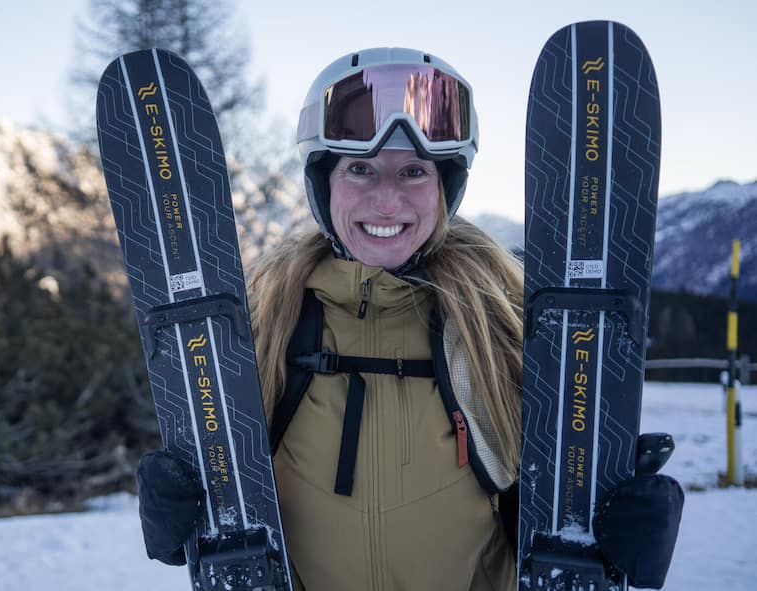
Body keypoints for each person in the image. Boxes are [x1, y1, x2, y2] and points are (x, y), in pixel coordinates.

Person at [135, 47, 683, 590]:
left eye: (414, 171)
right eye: (360, 168)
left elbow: (550, 504)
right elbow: (231, 499)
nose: (388, 201)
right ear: (323, 184)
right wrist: (186, 513)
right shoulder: (266, 328)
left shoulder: (501, 329)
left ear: (447, 188)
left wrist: (608, 525)